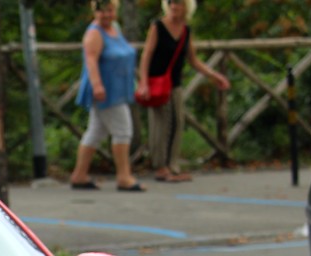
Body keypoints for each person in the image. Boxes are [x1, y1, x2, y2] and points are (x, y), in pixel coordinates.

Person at [138, 0, 229, 182]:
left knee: (178, 122)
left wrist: (214, 76)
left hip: (175, 84)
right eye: (171, 3)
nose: (174, 6)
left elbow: (193, 60)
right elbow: (146, 54)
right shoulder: (157, 26)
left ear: (186, 7)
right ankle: (160, 166)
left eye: (178, 3)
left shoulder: (186, 31)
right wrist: (143, 82)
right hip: (157, 83)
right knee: (161, 124)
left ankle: (172, 165)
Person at [68, 0, 143, 192]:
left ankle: (79, 174)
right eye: (101, 11)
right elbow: (90, 60)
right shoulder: (94, 33)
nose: (106, 15)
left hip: (118, 88)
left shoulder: (115, 28)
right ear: (95, 12)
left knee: (95, 131)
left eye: (109, 11)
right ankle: (124, 176)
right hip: (106, 91)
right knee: (123, 130)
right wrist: (97, 85)